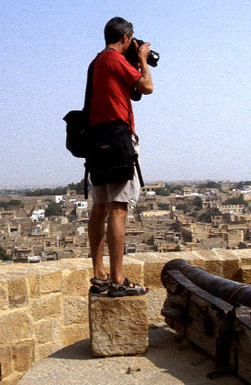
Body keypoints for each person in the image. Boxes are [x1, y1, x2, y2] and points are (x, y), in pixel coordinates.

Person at [87, 17, 153, 297]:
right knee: (118, 208)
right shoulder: (114, 59)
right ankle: (118, 278)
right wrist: (142, 60)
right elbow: (147, 87)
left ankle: (100, 274)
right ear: (126, 37)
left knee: (99, 206)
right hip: (117, 139)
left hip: (96, 139)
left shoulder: (97, 62)